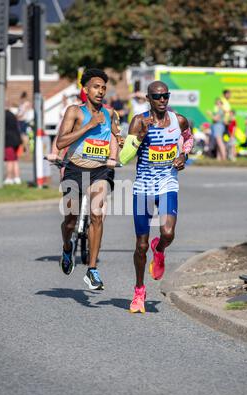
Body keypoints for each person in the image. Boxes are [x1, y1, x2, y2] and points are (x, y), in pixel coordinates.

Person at [119, 81, 194, 313]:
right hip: (143, 187)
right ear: (148, 98)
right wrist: (140, 136)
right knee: (140, 246)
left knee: (168, 233)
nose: (162, 101)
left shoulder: (178, 120)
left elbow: (189, 139)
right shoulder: (139, 121)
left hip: (167, 182)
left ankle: (159, 249)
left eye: (165, 96)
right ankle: (139, 290)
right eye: (157, 97)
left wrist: (184, 156)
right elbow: (124, 157)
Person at [56, 68, 120, 290]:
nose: (100, 91)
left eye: (103, 87)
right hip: (75, 168)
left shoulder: (110, 113)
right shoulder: (75, 111)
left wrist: (115, 155)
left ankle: (92, 270)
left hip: (99, 171)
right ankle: (67, 246)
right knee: (70, 221)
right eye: (96, 86)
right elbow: (61, 142)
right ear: (85, 89)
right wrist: (88, 126)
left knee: (97, 213)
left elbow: (114, 136)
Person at [4, 106, 22, 185]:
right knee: (14, 160)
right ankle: (17, 178)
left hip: (9, 140)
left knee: (10, 160)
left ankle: (9, 178)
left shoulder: (4, 115)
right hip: (16, 140)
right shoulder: (12, 115)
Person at [17, 92, 32, 158]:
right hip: (20, 120)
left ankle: (27, 151)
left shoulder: (26, 103)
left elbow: (24, 112)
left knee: (24, 136)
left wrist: (19, 116)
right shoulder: (22, 104)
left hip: (23, 121)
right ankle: (25, 151)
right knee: (22, 136)